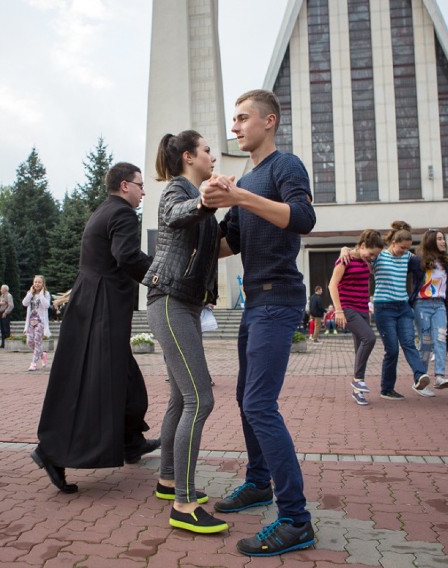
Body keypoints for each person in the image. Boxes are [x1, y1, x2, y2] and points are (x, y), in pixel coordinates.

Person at [201, 89, 316, 557]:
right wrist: (204, 205)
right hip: (255, 303)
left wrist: (240, 196)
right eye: (234, 119)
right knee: (248, 400)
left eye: (243, 118)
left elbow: (304, 219)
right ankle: (258, 482)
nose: (235, 126)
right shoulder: (245, 180)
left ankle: (296, 520)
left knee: (260, 404)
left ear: (269, 121)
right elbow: (224, 245)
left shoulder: (284, 166)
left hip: (280, 300)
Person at [31, 162, 158, 493]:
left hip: (90, 303)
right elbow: (127, 256)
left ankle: (131, 441)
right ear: (125, 185)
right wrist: (161, 277)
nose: (144, 191)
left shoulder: (103, 211)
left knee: (124, 378)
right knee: (93, 383)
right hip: (103, 308)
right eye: (140, 185)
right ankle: (52, 452)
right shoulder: (123, 214)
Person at [143, 130, 226, 534]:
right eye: (208, 150)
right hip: (171, 300)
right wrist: (208, 196)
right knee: (201, 399)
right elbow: (178, 214)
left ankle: (168, 480)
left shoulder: (199, 198)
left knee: (181, 396)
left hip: (186, 303)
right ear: (190, 156)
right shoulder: (178, 191)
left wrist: (245, 205)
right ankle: (184, 504)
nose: (213, 156)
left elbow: (214, 246)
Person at [369, 221, 431, 399]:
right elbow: (360, 253)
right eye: (402, 247)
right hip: (384, 308)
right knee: (392, 350)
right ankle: (386, 389)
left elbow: (425, 261)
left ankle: (420, 376)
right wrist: (344, 250)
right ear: (393, 243)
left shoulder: (408, 257)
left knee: (409, 343)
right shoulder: (380, 256)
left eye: (407, 248)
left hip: (403, 307)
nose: (405, 251)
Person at [328, 229, 384, 406]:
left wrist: (368, 307)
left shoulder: (365, 261)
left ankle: (358, 391)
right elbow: (332, 285)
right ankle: (358, 379)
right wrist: (338, 311)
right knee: (369, 338)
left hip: (362, 309)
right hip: (347, 309)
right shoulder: (345, 260)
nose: (372, 257)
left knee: (360, 348)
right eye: (371, 253)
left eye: (375, 256)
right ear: (362, 245)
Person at [410, 229, 448, 392]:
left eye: (443, 239)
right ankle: (420, 378)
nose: (443, 241)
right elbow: (400, 262)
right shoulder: (417, 261)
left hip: (439, 305)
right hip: (422, 304)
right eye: (439, 239)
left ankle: (439, 376)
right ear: (431, 241)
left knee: (441, 338)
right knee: (426, 341)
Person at [22, 275, 51, 372]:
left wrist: (42, 294)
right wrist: (30, 293)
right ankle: (42, 354)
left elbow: (46, 305)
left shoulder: (46, 294)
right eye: (35, 282)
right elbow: (24, 303)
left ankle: (33, 363)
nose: (37, 284)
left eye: (39, 282)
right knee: (30, 342)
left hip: (40, 322)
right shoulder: (30, 293)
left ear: (43, 284)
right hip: (30, 322)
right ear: (33, 283)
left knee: (37, 342)